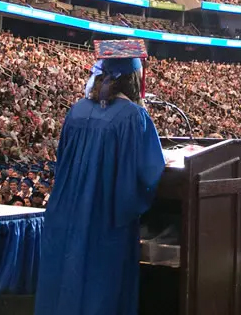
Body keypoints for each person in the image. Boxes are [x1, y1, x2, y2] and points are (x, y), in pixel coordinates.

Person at [34, 40, 166, 315]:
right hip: (104, 218)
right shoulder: (132, 116)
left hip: (66, 212)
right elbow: (149, 171)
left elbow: (62, 161)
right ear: (133, 79)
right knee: (100, 288)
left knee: (64, 280)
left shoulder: (76, 111)